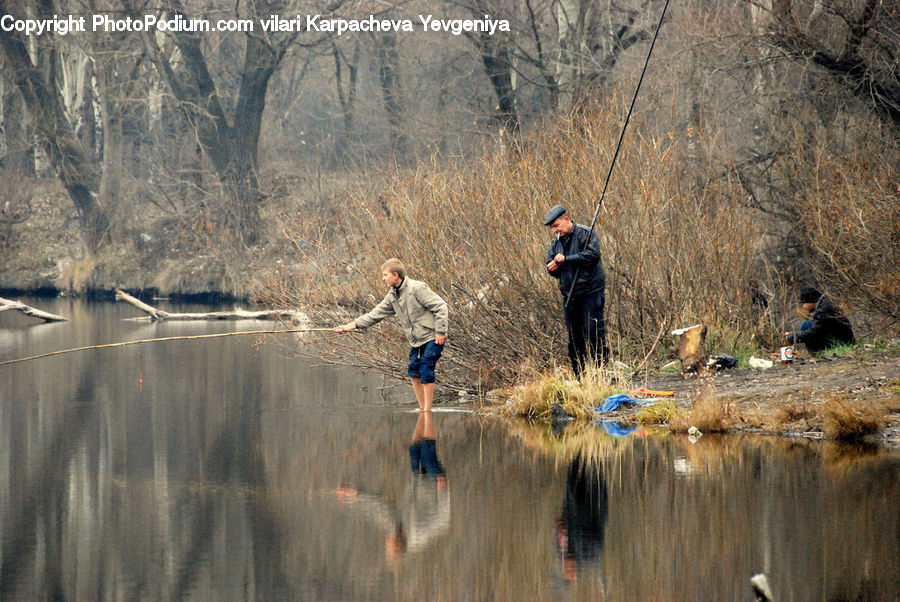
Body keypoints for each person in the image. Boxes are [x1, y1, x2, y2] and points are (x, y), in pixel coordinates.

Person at [335, 258, 448, 411]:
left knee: (426, 368)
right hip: (416, 340)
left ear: (396, 275)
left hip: (432, 336)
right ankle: (423, 409)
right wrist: (349, 326)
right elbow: (375, 314)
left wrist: (440, 331)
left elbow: (441, 306)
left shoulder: (417, 288)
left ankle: (427, 411)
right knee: (414, 371)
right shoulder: (392, 296)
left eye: (385, 275)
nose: (383, 278)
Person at [543, 205, 609, 376]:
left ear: (566, 219)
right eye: (553, 228)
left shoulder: (585, 234)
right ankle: (580, 375)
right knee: (574, 338)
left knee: (593, 333)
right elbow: (555, 271)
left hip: (591, 292)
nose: (555, 230)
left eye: (556, 226)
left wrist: (567, 259)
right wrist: (553, 268)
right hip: (570, 295)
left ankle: (602, 373)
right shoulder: (556, 243)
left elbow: (593, 256)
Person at [784, 287, 855, 354]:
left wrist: (792, 337)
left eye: (804, 303)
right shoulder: (825, 304)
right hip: (841, 338)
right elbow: (818, 327)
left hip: (839, 342)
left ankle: (817, 353)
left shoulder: (823, 310)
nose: (803, 306)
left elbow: (813, 332)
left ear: (811, 301)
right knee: (807, 325)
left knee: (806, 325)